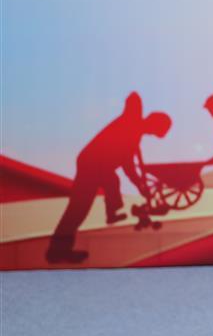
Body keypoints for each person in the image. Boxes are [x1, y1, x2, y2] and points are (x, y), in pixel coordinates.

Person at [47, 92, 171, 264]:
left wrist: (141, 187)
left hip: (96, 166)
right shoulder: (131, 121)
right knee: (82, 205)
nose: (151, 134)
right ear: (153, 123)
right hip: (91, 163)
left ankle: (59, 250)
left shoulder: (134, 138)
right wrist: (137, 104)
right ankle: (109, 214)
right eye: (154, 131)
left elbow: (129, 168)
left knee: (80, 208)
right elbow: (133, 99)